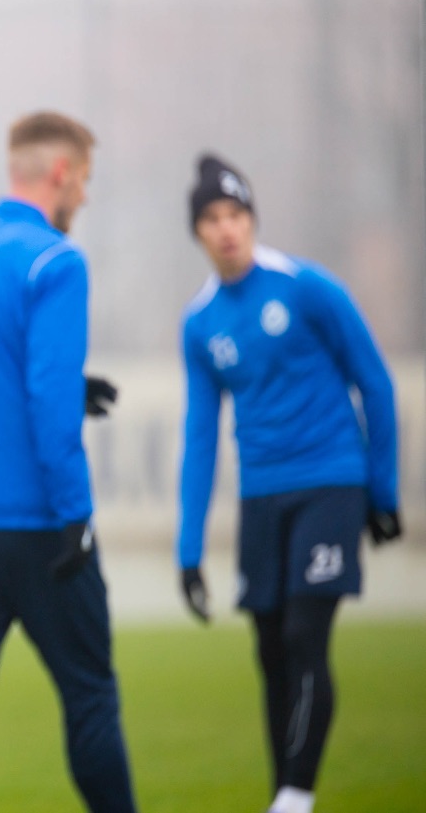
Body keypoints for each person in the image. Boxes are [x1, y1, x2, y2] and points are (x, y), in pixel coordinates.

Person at [0, 111, 137, 813]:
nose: (85, 197)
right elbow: (44, 399)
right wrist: (76, 515)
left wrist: (70, 384)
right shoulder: (57, 261)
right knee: (90, 695)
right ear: (62, 173)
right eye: (86, 181)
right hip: (40, 525)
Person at [176, 154, 400, 813]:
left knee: (305, 636)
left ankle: (295, 795)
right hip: (261, 496)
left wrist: (382, 490)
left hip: (330, 480)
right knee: (272, 651)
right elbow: (199, 438)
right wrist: (188, 551)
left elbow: (375, 382)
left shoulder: (307, 288)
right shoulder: (200, 322)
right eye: (213, 218)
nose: (227, 229)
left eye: (236, 214)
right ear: (198, 231)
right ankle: (287, 794)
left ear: (252, 220)